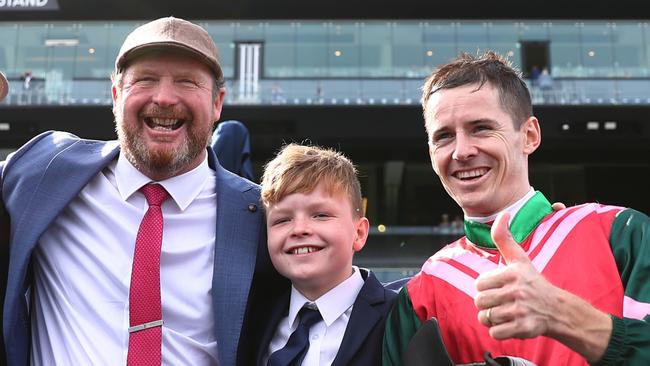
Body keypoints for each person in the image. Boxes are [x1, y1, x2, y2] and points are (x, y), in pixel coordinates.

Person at [0, 17, 285, 366]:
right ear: (116, 95)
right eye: (146, 79)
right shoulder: (44, 170)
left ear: (217, 103)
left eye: (186, 82)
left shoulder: (260, 216)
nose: (164, 97)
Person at [383, 51, 649, 365]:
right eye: (443, 137)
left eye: (481, 128)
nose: (462, 151)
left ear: (529, 135)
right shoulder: (421, 294)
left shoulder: (622, 233)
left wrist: (564, 316)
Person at [257, 143, 398, 365]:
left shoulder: (400, 319)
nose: (300, 229)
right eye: (282, 220)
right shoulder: (254, 321)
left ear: (359, 233)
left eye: (321, 215)